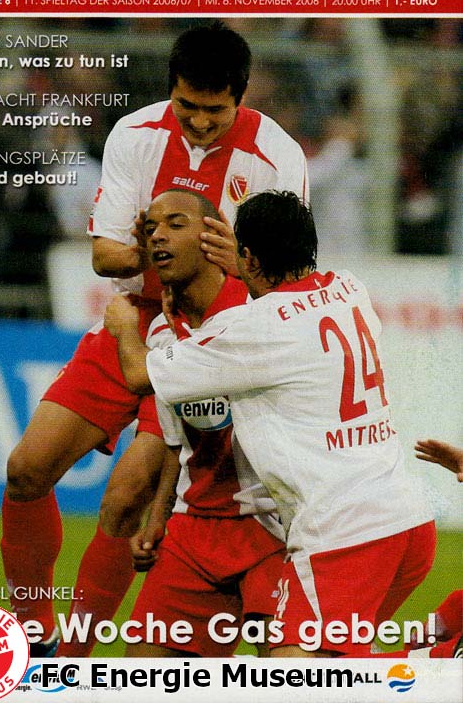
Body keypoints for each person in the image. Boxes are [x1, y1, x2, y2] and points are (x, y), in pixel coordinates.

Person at [1, 22, 308, 657]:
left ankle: (70, 662)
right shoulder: (135, 134)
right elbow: (105, 254)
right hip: (132, 320)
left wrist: (209, 261)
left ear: (241, 97)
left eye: (215, 111)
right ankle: (34, 633)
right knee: (26, 470)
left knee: (126, 499)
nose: (199, 122)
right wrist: (179, 249)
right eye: (187, 106)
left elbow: (282, 278)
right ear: (171, 90)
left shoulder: (277, 157)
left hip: (215, 341)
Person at [104, 189, 436, 658]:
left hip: (343, 533)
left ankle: (441, 661)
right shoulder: (349, 288)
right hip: (407, 520)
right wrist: (249, 266)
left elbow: (141, 375)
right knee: (337, 670)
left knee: (291, 677)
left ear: (249, 258)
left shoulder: (252, 331)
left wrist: (123, 327)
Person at [101, 188, 287, 657]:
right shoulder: (163, 329)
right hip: (196, 531)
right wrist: (158, 519)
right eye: (150, 229)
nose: (157, 237)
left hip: (274, 528)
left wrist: (123, 330)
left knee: (288, 678)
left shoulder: (255, 313)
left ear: (212, 236)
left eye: (175, 224)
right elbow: (176, 442)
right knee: (138, 676)